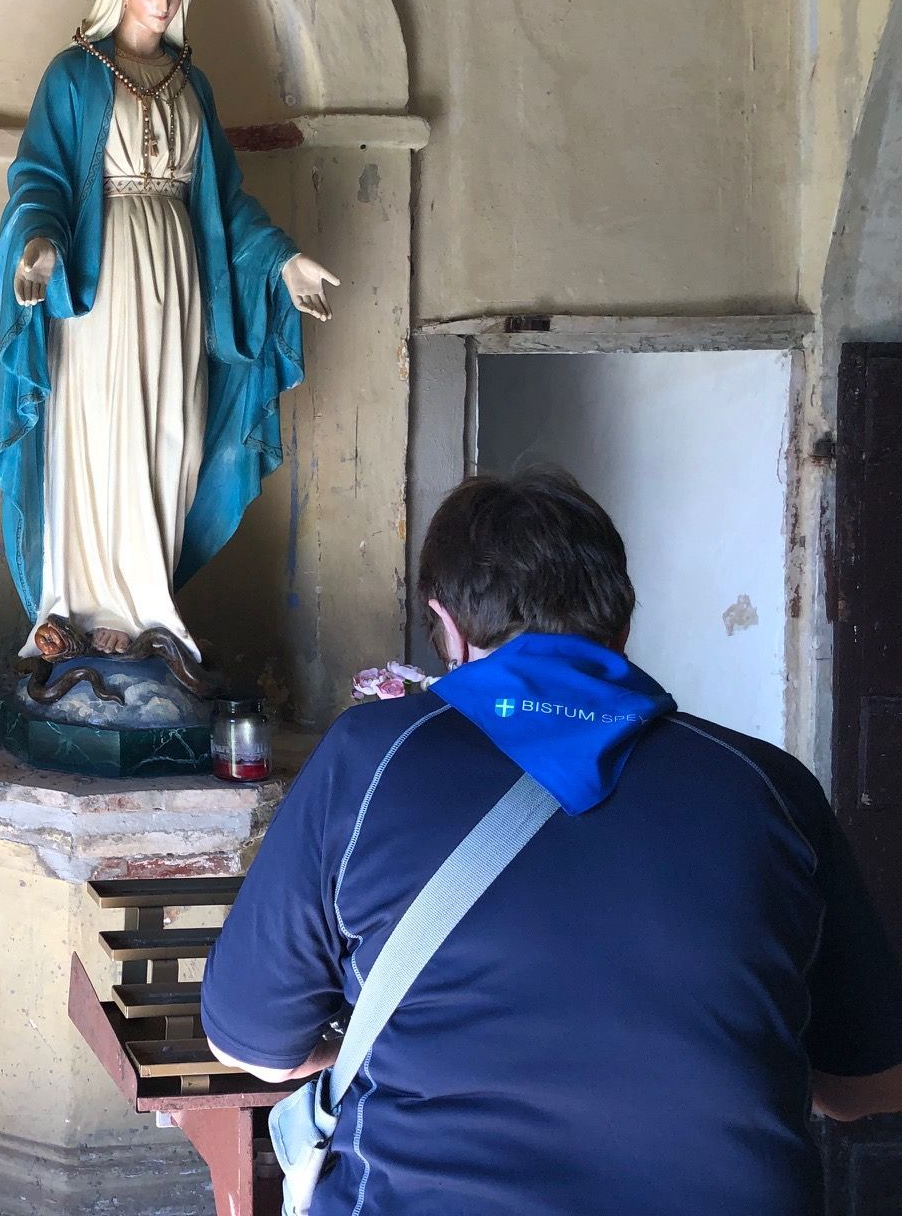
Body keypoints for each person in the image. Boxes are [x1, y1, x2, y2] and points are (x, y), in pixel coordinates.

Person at [199, 467, 902, 1214]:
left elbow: (250, 1046)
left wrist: (376, 1039)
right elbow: (871, 1085)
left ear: (447, 627)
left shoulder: (370, 759)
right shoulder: (771, 787)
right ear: (620, 630)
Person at [0, 0, 339, 671]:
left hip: (179, 277)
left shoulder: (191, 83)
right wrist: (39, 245)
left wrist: (281, 263)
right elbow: (40, 175)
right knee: (101, 426)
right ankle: (88, 605)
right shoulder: (74, 74)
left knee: (169, 432)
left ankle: (147, 602)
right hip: (101, 277)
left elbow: (225, 199)